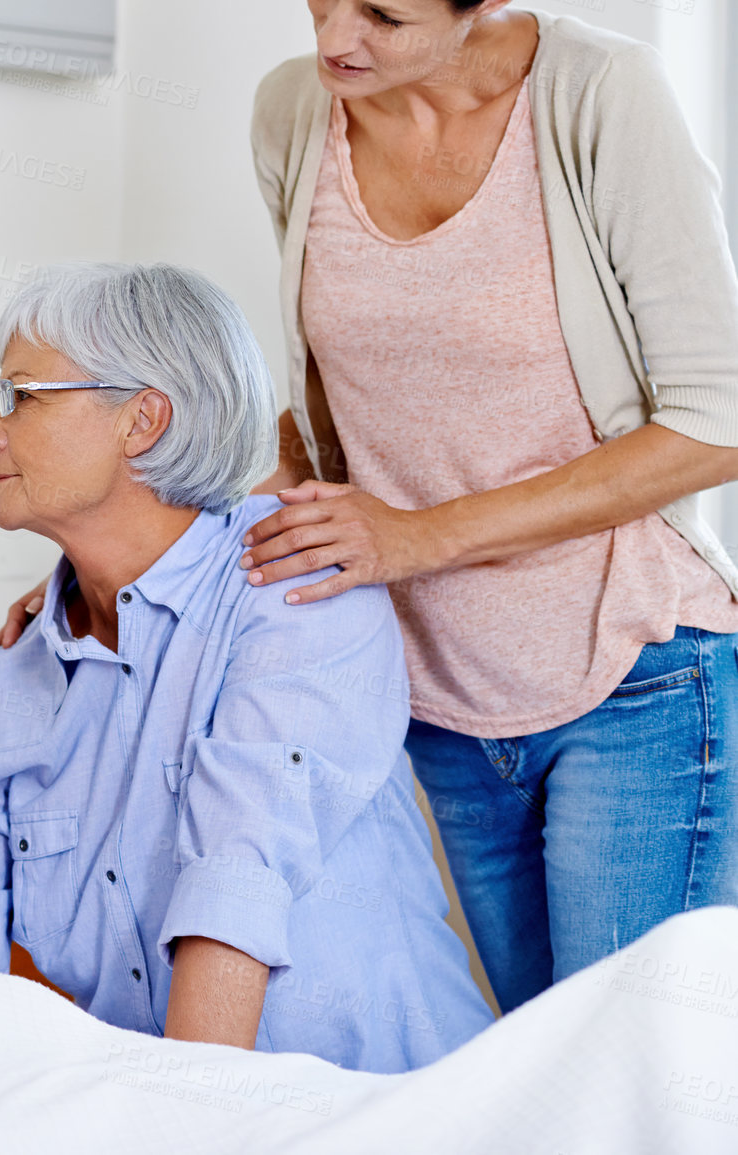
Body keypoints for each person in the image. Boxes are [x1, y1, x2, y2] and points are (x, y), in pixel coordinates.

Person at [0, 262, 495, 1073]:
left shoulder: (296, 586)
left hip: (389, 1114)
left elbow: (235, 883)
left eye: (19, 395)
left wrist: (184, 1120)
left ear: (143, 420)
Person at [233, 0, 738, 1013]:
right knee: (530, 1058)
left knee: (619, 1059)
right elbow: (332, 414)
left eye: (384, 14)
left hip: (630, 661)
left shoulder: (601, 96)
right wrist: (121, 578)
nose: (338, 38)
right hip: (437, 690)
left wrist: (417, 537)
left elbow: (716, 419)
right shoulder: (295, 111)